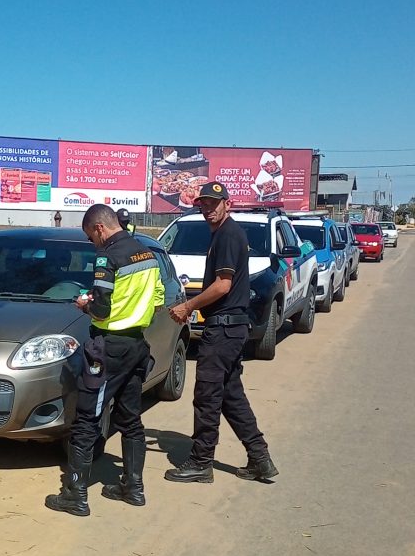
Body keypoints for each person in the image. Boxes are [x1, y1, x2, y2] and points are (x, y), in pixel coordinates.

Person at [45, 204, 164, 516]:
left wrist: (86, 305)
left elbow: (102, 310)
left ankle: (75, 494)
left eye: (90, 237)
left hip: (108, 347)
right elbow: (158, 298)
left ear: (99, 228)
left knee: (87, 418)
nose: (92, 243)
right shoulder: (147, 254)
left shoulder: (107, 257)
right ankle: (133, 487)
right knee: (131, 419)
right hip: (137, 344)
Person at [164, 181, 278, 484]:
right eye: (203, 204)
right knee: (230, 396)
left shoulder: (228, 235)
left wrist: (188, 306)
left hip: (225, 328)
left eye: (214, 203)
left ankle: (201, 462)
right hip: (230, 326)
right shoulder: (224, 234)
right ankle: (260, 458)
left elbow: (223, 286)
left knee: (207, 396)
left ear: (227, 203)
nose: (208, 209)